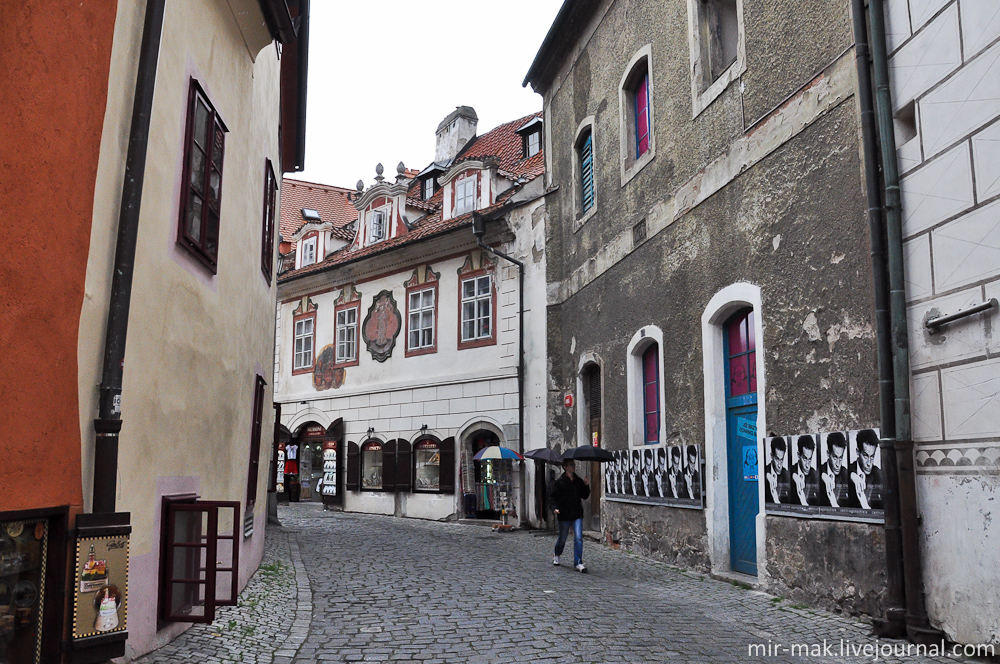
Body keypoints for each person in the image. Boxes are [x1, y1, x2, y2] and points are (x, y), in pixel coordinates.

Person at [550, 459, 591, 572]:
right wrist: (555, 508)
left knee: (578, 538)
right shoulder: (560, 482)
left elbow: (584, 495)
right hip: (564, 513)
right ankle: (557, 554)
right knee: (563, 537)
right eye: (571, 465)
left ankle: (578, 562)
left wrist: (586, 485)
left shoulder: (578, 481)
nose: (574, 466)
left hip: (577, 513)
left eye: (574, 464)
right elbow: (553, 497)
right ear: (565, 467)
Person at [849, 429, 883, 510]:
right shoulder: (848, 470)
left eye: (872, 457)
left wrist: (865, 505)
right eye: (865, 456)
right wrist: (853, 475)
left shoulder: (879, 475)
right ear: (858, 452)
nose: (869, 463)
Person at [818, 432, 850, 507]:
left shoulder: (845, 474)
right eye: (835, 457)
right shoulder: (819, 471)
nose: (837, 464)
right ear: (828, 454)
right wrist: (823, 475)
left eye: (841, 458)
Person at [790, 435, 818, 506]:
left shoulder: (814, 475)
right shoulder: (790, 472)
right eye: (805, 459)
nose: (807, 465)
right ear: (799, 455)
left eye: (810, 459)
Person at [764, 437, 790, 504]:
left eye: (782, 460)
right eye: (777, 459)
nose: (779, 465)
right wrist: (767, 475)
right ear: (772, 456)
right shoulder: (764, 471)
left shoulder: (786, 475)